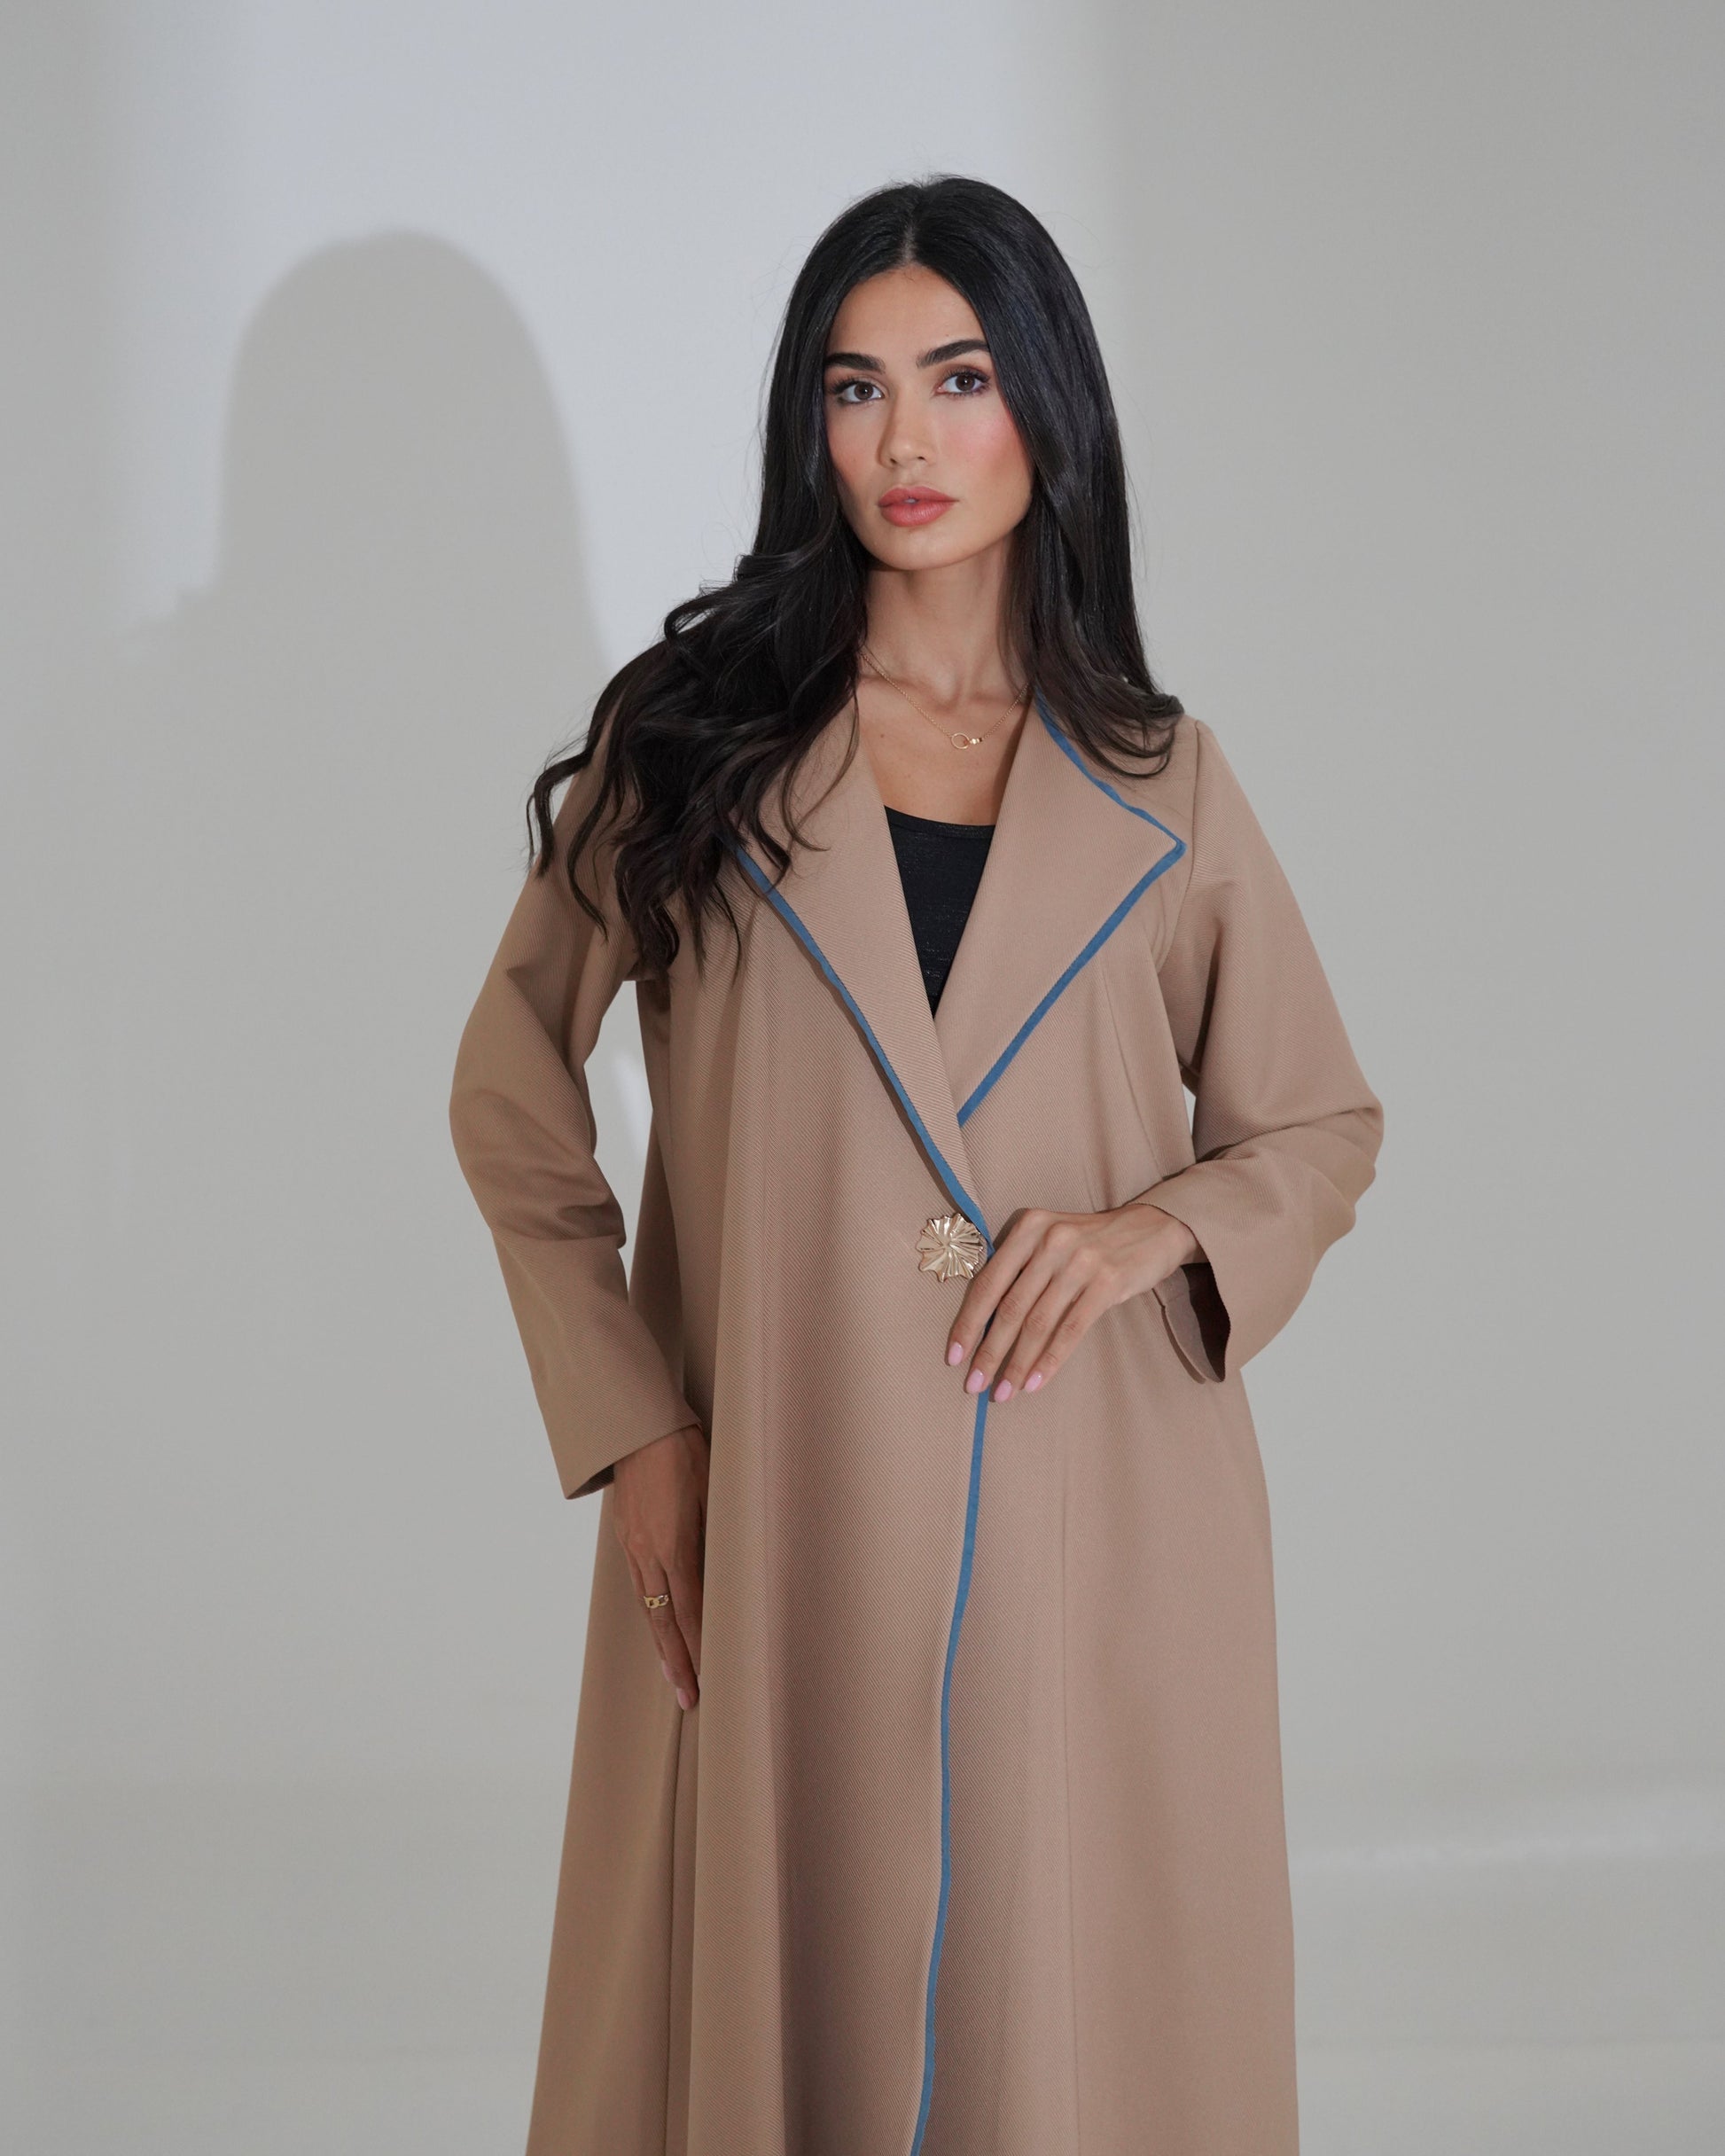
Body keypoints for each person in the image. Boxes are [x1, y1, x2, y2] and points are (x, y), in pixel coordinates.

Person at [449, 173, 1384, 2156]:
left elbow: (1314, 1122)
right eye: (853, 387)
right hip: (780, 1493)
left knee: (1065, 2021)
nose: (904, 441)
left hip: (1098, 1507)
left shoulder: (1162, 778)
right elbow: (510, 1086)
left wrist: (1149, 1232)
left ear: (1045, 405)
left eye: (958, 379)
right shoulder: (692, 741)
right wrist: (634, 1422)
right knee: (787, 1992)